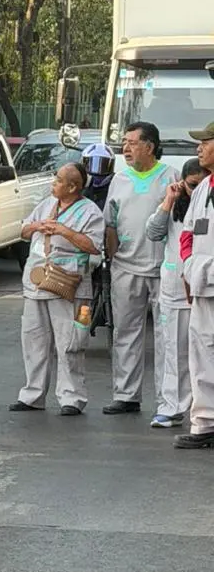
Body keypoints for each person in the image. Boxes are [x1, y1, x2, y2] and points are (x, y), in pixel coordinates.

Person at [10, 163, 104, 416]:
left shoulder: (90, 212)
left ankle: (72, 398)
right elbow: (24, 230)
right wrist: (37, 226)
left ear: (73, 186)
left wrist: (64, 231)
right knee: (33, 340)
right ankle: (32, 394)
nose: (54, 182)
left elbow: (94, 246)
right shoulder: (46, 204)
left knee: (71, 342)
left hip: (70, 286)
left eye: (59, 179)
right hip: (37, 283)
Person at [102, 122, 180, 415]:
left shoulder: (170, 177)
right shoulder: (119, 180)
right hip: (126, 267)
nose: (126, 148)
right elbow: (110, 223)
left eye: (132, 143)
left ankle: (167, 400)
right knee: (126, 332)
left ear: (149, 146)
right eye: (125, 142)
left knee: (166, 337)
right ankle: (126, 395)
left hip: (163, 269)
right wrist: (112, 257)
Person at [146, 159, 204, 429]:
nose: (197, 190)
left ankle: (202, 409)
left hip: (206, 288)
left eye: (202, 183)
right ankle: (172, 407)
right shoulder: (174, 207)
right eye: (191, 185)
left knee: (204, 354)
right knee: (174, 351)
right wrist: (169, 200)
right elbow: (153, 233)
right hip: (175, 289)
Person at [176, 125, 214, 449]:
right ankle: (205, 424)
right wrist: (188, 266)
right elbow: (188, 232)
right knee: (201, 356)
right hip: (202, 283)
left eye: (205, 142)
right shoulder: (202, 188)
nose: (199, 149)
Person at [81, 142, 114, 212]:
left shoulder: (115, 184)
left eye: (103, 164)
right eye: (93, 162)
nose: (98, 168)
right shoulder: (85, 183)